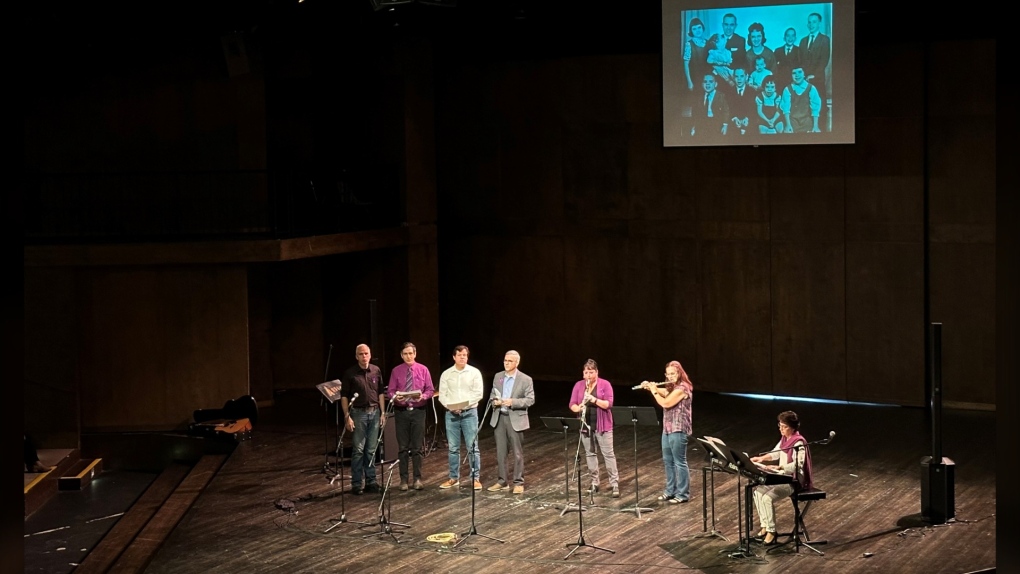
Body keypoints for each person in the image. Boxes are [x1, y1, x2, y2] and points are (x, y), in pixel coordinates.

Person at [749, 410, 814, 545]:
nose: (781, 429)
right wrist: (761, 459)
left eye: (784, 427)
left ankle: (772, 531)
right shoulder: (785, 439)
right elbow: (775, 453)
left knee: (767, 498)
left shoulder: (798, 443)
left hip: (793, 480)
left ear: (792, 428)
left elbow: (798, 464)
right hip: (781, 477)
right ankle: (765, 526)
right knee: (758, 493)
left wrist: (780, 468)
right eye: (780, 426)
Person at [639, 361, 693, 504]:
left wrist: (654, 390)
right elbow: (665, 392)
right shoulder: (672, 387)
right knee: (668, 461)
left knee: (679, 462)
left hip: (679, 429)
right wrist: (650, 387)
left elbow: (666, 403)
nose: (670, 377)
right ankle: (670, 491)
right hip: (667, 429)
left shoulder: (683, 388)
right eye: (668, 374)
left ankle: (683, 494)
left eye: (673, 374)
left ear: (679, 373)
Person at [385, 342, 435, 491]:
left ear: (415, 354)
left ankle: (417, 479)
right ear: (401, 355)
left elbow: (430, 389)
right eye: (405, 354)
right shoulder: (396, 371)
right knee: (402, 447)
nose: (408, 356)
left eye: (411, 353)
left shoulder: (423, 369)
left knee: (417, 447)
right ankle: (403, 479)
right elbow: (390, 391)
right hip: (402, 412)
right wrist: (396, 397)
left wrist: (423, 396)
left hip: (418, 411)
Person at [569, 359, 620, 498]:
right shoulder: (579, 385)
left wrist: (593, 399)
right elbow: (572, 404)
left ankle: (614, 483)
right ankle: (594, 482)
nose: (589, 375)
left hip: (602, 425)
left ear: (596, 372)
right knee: (590, 454)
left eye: (591, 372)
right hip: (585, 424)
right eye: (586, 372)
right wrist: (578, 407)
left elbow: (608, 404)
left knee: (608, 454)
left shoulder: (605, 384)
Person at [487, 350, 535, 494]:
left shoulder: (526, 379)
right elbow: (492, 394)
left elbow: (530, 399)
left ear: (517, 362)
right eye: (505, 360)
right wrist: (494, 401)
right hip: (500, 417)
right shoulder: (498, 376)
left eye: (509, 361)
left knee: (517, 452)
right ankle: (502, 481)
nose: (506, 363)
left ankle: (518, 482)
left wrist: (512, 402)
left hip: (515, 418)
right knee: (501, 452)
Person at [340, 344, 386, 495]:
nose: (364, 356)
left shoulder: (376, 370)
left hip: (374, 412)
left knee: (372, 450)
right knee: (358, 450)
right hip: (358, 413)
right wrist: (347, 416)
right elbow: (344, 396)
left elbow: (380, 393)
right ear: (356, 356)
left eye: (366, 353)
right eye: (361, 354)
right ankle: (357, 483)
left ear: (370, 355)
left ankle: (371, 482)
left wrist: (383, 412)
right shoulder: (350, 373)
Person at [437, 345, 484, 490]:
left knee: (472, 446)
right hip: (451, 414)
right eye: (459, 355)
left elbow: (478, 393)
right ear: (454, 357)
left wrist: (463, 406)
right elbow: (442, 395)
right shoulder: (446, 374)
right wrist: (451, 406)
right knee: (453, 448)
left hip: (469, 413)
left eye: (465, 355)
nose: (462, 357)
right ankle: (453, 477)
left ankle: (475, 478)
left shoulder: (474, 373)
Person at [799, 12, 831, 130]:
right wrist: (803, 76)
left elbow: (824, 60)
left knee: (819, 106)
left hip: (817, 79)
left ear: (819, 23)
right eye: (809, 22)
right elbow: (801, 61)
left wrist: (813, 76)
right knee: (805, 105)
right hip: (804, 81)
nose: (811, 24)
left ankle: (820, 130)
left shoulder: (824, 40)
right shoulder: (803, 41)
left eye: (814, 22)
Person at [682, 17, 711, 128]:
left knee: (707, 103)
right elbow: (686, 63)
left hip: (707, 80)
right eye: (694, 29)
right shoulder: (689, 44)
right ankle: (695, 128)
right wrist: (689, 82)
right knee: (697, 104)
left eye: (699, 28)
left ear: (703, 28)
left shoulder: (708, 43)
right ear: (691, 31)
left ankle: (706, 128)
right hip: (695, 78)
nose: (698, 30)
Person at [780, 67, 822, 134]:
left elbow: (815, 109)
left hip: (807, 123)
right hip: (792, 122)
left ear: (804, 74)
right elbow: (786, 109)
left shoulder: (811, 88)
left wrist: (815, 126)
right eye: (794, 73)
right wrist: (788, 125)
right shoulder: (787, 89)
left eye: (800, 72)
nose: (797, 75)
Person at [727, 67, 756, 136]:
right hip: (733, 122)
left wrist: (747, 118)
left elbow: (753, 108)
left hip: (749, 122)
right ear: (733, 78)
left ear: (746, 77)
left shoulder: (752, 92)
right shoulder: (728, 92)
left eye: (742, 76)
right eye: (736, 76)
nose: (739, 79)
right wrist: (734, 117)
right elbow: (728, 108)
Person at [773, 27, 801, 94]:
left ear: (795, 38)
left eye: (792, 35)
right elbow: (774, 67)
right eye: (788, 35)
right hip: (780, 83)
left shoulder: (799, 51)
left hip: (794, 83)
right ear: (784, 38)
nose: (790, 38)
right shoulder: (777, 51)